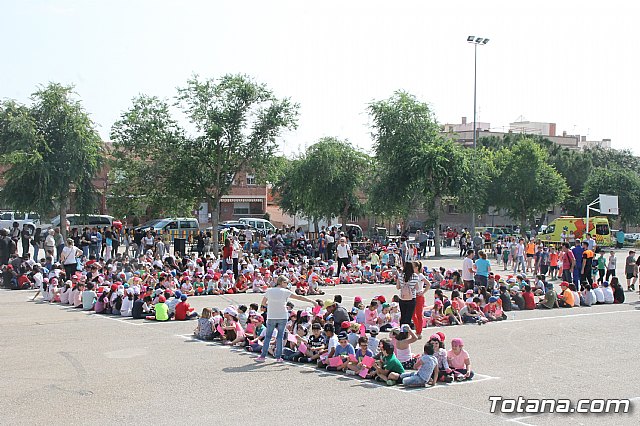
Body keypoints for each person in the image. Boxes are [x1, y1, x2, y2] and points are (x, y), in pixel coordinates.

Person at [256, 276, 315, 362]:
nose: (287, 284)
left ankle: (262, 356)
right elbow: (299, 297)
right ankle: (278, 357)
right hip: (282, 316)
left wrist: (265, 307)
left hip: (272, 315)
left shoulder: (269, 291)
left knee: (268, 336)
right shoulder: (285, 291)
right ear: (282, 282)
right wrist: (311, 301)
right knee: (280, 337)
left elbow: (263, 303)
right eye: (286, 283)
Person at [396, 261, 417, 327]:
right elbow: (417, 287)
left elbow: (398, 287)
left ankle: (402, 331)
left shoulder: (400, 275)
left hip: (402, 297)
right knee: (408, 317)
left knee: (403, 316)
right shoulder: (415, 276)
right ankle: (406, 332)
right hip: (411, 298)